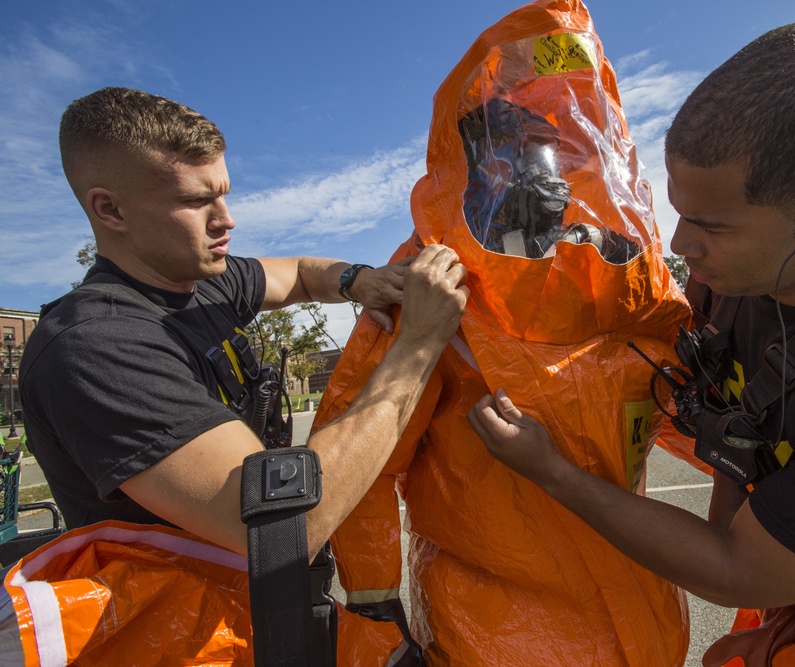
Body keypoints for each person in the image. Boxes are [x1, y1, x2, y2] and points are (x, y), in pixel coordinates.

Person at [469, 20, 795, 666]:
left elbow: (729, 563)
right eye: (679, 212)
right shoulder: (749, 266)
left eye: (711, 226)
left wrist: (555, 473)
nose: (683, 247)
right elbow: (729, 450)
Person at [12, 86, 468, 663]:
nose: (226, 220)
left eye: (224, 194)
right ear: (110, 210)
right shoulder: (95, 345)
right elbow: (287, 526)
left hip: (260, 618)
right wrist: (418, 346)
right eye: (197, 201)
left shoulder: (204, 282)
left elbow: (303, 274)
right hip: (182, 640)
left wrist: (358, 279)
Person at [311, 2, 693, 665]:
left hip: (646, 622)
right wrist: (376, 614)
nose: (537, 180)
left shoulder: (624, 285)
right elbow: (358, 462)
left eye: (550, 159)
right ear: (480, 172)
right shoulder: (437, 294)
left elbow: (698, 415)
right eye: (515, 161)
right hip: (493, 635)